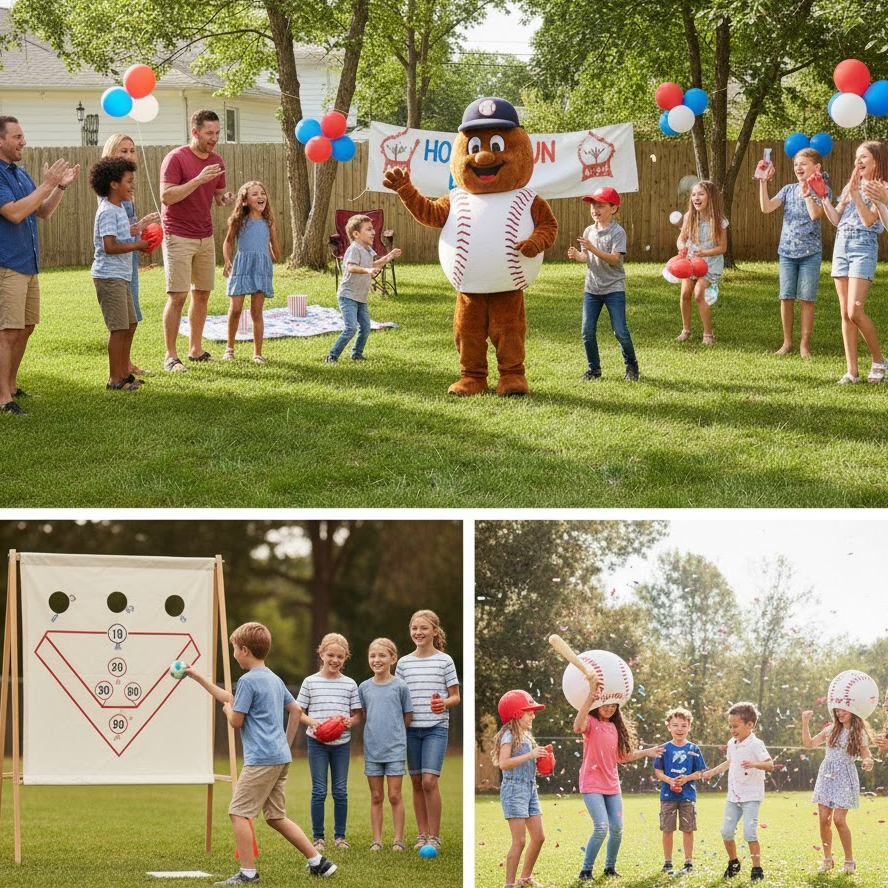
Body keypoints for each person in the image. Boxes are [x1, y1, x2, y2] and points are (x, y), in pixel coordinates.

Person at [183, 621, 337, 884]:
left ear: (244, 650)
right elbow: (296, 710)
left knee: (238, 813)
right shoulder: (273, 678)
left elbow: (236, 720)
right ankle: (319, 862)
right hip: (279, 757)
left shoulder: (247, 681)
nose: (234, 654)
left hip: (261, 760)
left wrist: (228, 712)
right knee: (276, 817)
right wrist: (198, 677)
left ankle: (248, 873)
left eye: (234, 649)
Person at [0, 115, 79, 415]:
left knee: (26, 327)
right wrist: (47, 184)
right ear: (0, 141)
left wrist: (59, 188)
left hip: (28, 263)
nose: (24, 142)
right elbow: (14, 213)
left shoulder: (20, 174)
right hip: (7, 263)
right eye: (17, 137)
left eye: (23, 136)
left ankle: (11, 385)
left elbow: (42, 212)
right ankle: (3, 398)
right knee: (8, 331)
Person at [159, 109, 235, 372]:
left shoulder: (217, 161)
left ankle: (195, 349)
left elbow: (218, 196)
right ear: (195, 132)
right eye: (209, 133)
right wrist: (198, 179)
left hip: (205, 234)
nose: (214, 138)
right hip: (177, 234)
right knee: (178, 295)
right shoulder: (176, 158)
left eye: (217, 133)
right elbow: (167, 197)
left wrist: (225, 199)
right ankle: (171, 356)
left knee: (202, 293)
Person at [572, 672, 664, 881]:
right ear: (598, 704)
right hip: (592, 783)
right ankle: (586, 871)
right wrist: (591, 695)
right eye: (606, 704)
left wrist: (647, 752)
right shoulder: (590, 722)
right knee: (601, 827)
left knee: (617, 828)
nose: (610, 708)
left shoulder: (614, 727)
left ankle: (610, 868)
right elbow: (577, 726)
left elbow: (622, 757)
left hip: (612, 785)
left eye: (614, 705)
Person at [815, 141, 888, 384]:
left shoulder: (881, 188)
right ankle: (852, 372)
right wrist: (823, 197)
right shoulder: (850, 185)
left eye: (863, 157)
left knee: (855, 310)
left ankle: (879, 360)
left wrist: (856, 194)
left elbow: (868, 221)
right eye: (857, 157)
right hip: (841, 247)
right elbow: (836, 219)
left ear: (877, 160)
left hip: (862, 248)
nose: (858, 161)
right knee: (845, 314)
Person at [88, 157, 158, 391]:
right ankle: (114, 379)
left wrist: (140, 230)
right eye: (129, 181)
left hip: (121, 276)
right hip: (109, 276)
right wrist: (138, 245)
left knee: (129, 324)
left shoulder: (118, 209)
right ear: (113, 184)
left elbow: (122, 234)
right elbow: (109, 246)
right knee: (118, 329)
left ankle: (124, 374)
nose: (133, 185)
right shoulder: (107, 211)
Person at [395, 609, 460, 851]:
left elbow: (455, 697)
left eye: (423, 628)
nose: (418, 632)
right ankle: (422, 835)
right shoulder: (403, 663)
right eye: (414, 628)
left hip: (436, 728)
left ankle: (435, 836)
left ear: (435, 631)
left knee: (429, 781)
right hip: (410, 730)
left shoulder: (445, 661)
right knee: (416, 781)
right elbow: (398, 697)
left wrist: (444, 703)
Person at [757, 148, 830, 357]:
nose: (798, 167)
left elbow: (815, 214)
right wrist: (763, 182)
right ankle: (787, 342)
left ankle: (804, 345)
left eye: (803, 164)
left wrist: (807, 192)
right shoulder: (788, 189)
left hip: (810, 254)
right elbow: (766, 207)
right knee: (786, 297)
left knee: (807, 299)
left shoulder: (823, 190)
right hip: (787, 253)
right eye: (796, 164)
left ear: (817, 167)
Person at [101, 133, 160, 376]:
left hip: (128, 260)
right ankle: (119, 372)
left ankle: (126, 365)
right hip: (115, 265)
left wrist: (141, 241)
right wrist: (140, 229)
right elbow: (115, 234)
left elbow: (128, 228)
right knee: (122, 322)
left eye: (132, 151)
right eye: (123, 151)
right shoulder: (110, 191)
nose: (129, 155)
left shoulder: (126, 187)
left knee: (131, 317)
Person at [297, 633, 362, 851]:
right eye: (331, 655)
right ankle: (318, 838)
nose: (335, 660)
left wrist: (350, 722)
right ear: (321, 654)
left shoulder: (350, 684)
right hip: (317, 743)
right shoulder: (310, 682)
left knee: (340, 790)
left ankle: (340, 837)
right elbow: (298, 712)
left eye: (340, 657)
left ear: (345, 658)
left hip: (341, 744)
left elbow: (357, 715)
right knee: (319, 790)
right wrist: (312, 722)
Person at [567, 186, 639, 381]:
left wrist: (591, 248)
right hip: (592, 289)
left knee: (620, 331)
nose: (594, 209)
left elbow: (614, 259)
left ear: (613, 208)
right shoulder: (588, 231)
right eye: (593, 205)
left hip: (614, 288)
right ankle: (594, 370)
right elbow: (587, 258)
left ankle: (631, 366)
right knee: (587, 331)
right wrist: (578, 255)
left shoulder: (618, 232)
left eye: (600, 205)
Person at [702, 702, 773, 881]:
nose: (732, 730)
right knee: (726, 831)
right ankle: (734, 862)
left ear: (750, 725)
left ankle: (756, 869)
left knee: (749, 832)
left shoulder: (756, 744)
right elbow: (729, 762)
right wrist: (712, 772)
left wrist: (754, 764)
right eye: (730, 726)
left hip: (751, 796)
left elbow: (770, 765)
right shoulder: (731, 743)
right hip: (733, 796)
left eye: (736, 726)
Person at [802, 705, 873, 874]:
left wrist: (868, 761)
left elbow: (866, 754)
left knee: (839, 820)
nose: (839, 713)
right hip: (826, 775)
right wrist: (805, 722)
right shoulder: (830, 730)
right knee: (824, 819)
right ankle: (827, 860)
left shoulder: (859, 732)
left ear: (853, 711)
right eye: (837, 711)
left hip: (845, 777)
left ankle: (849, 861)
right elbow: (809, 744)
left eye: (843, 710)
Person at [357, 638, 413, 851]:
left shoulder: (400, 686)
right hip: (373, 749)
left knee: (394, 795)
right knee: (376, 796)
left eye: (382, 655)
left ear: (393, 658)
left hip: (395, 749)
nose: (376, 660)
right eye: (372, 656)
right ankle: (377, 840)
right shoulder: (364, 688)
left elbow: (407, 715)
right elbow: (365, 714)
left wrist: (395, 734)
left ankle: (398, 840)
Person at [324, 214, 400, 363]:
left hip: (360, 297)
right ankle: (332, 356)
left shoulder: (367, 249)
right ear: (356, 234)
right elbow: (351, 267)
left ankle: (356, 354)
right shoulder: (354, 249)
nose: (373, 232)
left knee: (365, 327)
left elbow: (372, 264)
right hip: (348, 296)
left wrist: (388, 257)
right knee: (351, 328)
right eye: (369, 229)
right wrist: (368, 270)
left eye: (373, 229)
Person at [491, 689, 548, 888]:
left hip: (530, 789)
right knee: (520, 841)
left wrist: (542, 761)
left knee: (539, 837)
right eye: (529, 712)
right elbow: (504, 763)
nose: (533, 716)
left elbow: (526, 763)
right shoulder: (508, 735)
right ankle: (509, 885)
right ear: (516, 714)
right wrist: (530, 755)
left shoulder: (526, 736)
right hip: (514, 790)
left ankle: (525, 878)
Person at [222, 181, 281, 364]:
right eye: (254, 194)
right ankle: (229, 349)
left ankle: (257, 353)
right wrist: (226, 259)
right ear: (245, 200)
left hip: (261, 268)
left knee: (257, 312)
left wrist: (275, 254)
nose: (260, 197)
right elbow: (228, 241)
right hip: (242, 267)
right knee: (235, 309)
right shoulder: (239, 221)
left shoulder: (269, 222)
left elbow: (274, 245)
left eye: (262, 193)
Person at [652, 707, 707, 876]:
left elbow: (700, 772)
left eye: (684, 725)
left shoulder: (694, 749)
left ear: (689, 727)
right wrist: (670, 780)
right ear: (668, 726)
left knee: (688, 829)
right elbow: (658, 771)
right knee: (667, 829)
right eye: (675, 725)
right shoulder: (663, 749)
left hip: (687, 796)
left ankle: (688, 862)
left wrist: (687, 778)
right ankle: (668, 862)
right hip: (667, 796)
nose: (679, 729)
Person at [675, 180, 728, 344]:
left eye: (701, 194)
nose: (696, 198)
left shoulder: (719, 220)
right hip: (691, 261)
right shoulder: (689, 217)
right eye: (693, 195)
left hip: (710, 263)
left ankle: (708, 334)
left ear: (711, 197)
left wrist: (705, 253)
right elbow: (681, 239)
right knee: (685, 293)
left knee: (699, 294)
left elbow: (722, 247)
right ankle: (686, 331)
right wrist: (682, 248)